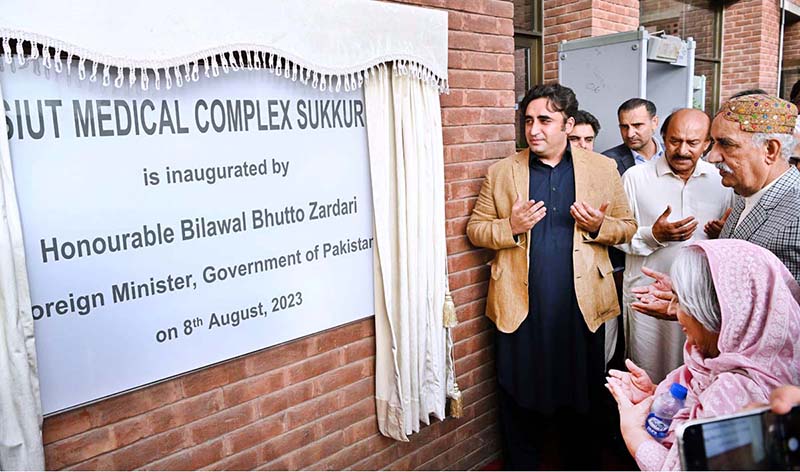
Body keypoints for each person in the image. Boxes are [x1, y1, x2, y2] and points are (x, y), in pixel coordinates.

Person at [467, 83, 636, 469]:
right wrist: (509, 226)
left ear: (567, 124)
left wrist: (599, 226)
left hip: (581, 307)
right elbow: (476, 230)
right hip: (519, 306)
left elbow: (627, 227)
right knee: (518, 395)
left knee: (582, 397)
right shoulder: (502, 172)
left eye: (544, 119)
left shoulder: (602, 168)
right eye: (527, 120)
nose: (534, 129)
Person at [607, 239, 800, 470]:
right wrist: (658, 396)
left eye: (680, 300)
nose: (670, 310)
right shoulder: (771, 357)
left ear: (714, 312)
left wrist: (633, 434)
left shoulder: (733, 389)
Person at [633, 94, 800, 319]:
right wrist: (688, 296)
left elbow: (782, 317)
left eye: (726, 144)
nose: (711, 157)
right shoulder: (743, 196)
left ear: (770, 150)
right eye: (714, 142)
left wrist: (691, 309)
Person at [615, 109, 733, 382]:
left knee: (697, 376)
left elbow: (734, 245)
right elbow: (617, 236)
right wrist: (653, 235)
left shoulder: (722, 180)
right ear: (663, 138)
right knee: (647, 377)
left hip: (701, 302)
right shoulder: (636, 177)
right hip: (648, 298)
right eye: (674, 141)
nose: (682, 150)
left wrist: (722, 235)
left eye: (693, 143)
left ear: (707, 144)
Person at [603, 98, 663, 176]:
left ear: (654, 122)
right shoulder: (607, 161)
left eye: (637, 125)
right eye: (624, 127)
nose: (630, 134)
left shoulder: (674, 154)